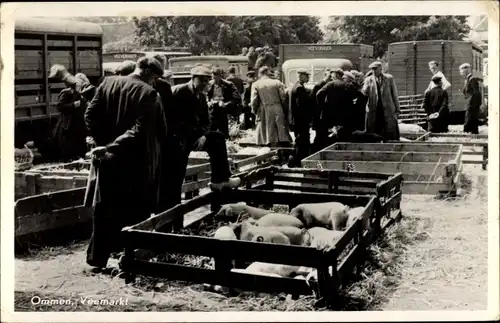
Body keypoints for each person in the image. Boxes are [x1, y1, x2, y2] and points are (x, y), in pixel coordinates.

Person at [84, 56, 167, 272]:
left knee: (104, 208)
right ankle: (129, 260)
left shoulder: (108, 83)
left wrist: (101, 144)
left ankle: (97, 259)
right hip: (134, 161)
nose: (155, 83)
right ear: (149, 73)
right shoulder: (148, 93)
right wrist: (112, 146)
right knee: (134, 210)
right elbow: (140, 130)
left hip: (107, 160)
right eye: (156, 78)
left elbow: (90, 115)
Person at [159, 66, 241, 225]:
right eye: (202, 80)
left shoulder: (201, 97)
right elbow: (170, 120)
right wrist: (191, 134)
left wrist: (203, 136)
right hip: (177, 139)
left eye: (207, 81)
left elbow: (207, 121)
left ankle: (220, 179)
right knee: (175, 180)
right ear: (193, 78)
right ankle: (172, 223)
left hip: (194, 137)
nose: (205, 84)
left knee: (217, 138)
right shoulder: (178, 92)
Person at [48, 65, 87, 161]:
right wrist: (73, 105)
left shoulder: (78, 94)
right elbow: (60, 106)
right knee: (68, 144)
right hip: (68, 123)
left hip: (77, 123)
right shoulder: (66, 93)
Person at [251, 66, 292, 147]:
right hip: (277, 107)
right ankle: (283, 145)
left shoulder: (256, 84)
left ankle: (268, 144)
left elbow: (254, 100)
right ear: (267, 73)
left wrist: (254, 110)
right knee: (280, 128)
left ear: (260, 74)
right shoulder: (277, 82)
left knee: (266, 128)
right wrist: (285, 109)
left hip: (264, 108)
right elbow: (283, 97)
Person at [361, 61, 400, 141]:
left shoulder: (389, 78)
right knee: (374, 132)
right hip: (374, 110)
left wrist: (397, 109)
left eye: (375, 69)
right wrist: (365, 88)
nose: (373, 71)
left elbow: (394, 94)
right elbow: (364, 94)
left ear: (380, 68)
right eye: (372, 69)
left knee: (389, 132)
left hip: (388, 110)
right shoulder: (368, 80)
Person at [315, 68, 352, 150]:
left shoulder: (330, 84)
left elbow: (319, 94)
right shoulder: (348, 85)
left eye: (333, 74)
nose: (331, 76)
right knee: (342, 135)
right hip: (344, 116)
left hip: (331, 115)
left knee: (330, 135)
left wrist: (324, 106)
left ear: (337, 75)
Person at [206, 67, 241, 137]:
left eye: (216, 77)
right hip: (212, 111)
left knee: (224, 133)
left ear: (220, 76)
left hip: (223, 111)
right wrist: (208, 101)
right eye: (213, 78)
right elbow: (205, 95)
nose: (214, 80)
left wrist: (226, 104)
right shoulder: (209, 84)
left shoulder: (228, 84)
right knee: (210, 132)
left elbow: (237, 98)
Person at [289, 68, 313, 167]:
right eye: (307, 76)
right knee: (302, 141)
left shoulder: (295, 86)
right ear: (302, 76)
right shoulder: (299, 88)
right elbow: (302, 105)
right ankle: (297, 161)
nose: (308, 78)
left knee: (299, 140)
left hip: (297, 119)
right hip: (301, 120)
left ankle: (294, 160)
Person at [460, 63, 482, 134]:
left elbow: (476, 93)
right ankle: (471, 131)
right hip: (472, 101)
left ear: (466, 71)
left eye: (462, 72)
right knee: (470, 116)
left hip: (473, 102)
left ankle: (469, 131)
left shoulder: (472, 79)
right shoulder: (468, 79)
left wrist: (472, 103)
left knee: (470, 116)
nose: (461, 74)